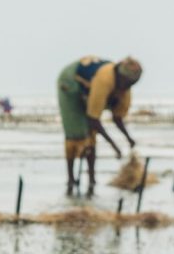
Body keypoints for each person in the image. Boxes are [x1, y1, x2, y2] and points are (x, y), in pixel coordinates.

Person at [56, 56, 140, 196]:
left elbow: (117, 118)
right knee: (77, 136)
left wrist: (128, 138)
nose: (127, 87)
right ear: (119, 76)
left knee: (91, 138)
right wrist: (114, 145)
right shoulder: (104, 81)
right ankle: (71, 179)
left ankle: (91, 179)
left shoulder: (124, 89)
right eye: (126, 83)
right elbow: (93, 120)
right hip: (70, 83)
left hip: (89, 90)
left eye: (131, 84)